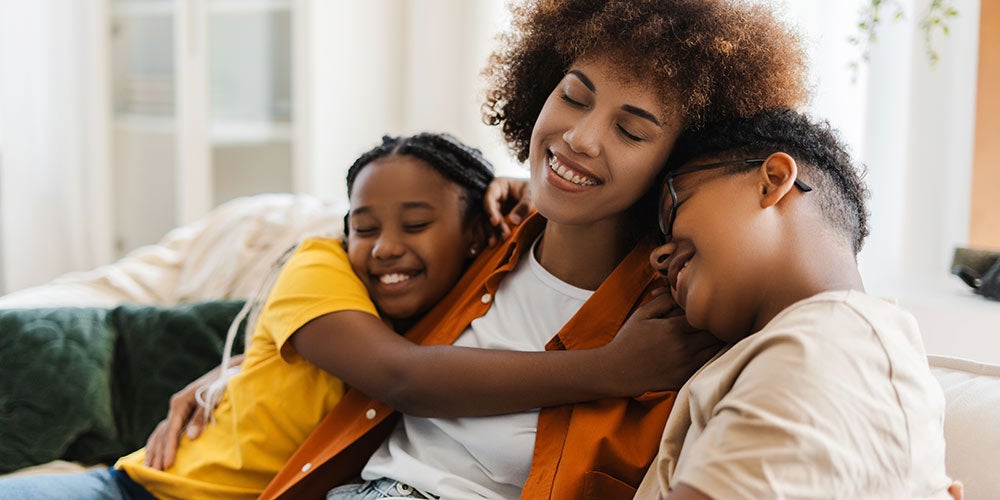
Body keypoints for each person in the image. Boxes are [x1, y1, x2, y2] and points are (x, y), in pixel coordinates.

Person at [250, 1, 812, 498]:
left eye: (631, 131)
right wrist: (233, 371)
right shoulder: (482, 236)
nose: (580, 138)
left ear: (675, 163)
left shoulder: (674, 319)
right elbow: (377, 347)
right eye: (572, 97)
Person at [0, 132, 704, 500]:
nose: (384, 246)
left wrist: (519, 192)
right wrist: (610, 369)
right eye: (364, 225)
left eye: (417, 222)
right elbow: (402, 377)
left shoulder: (461, 309)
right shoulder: (322, 264)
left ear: (478, 233)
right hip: (142, 489)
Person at [633, 109, 954, 499]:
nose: (659, 257)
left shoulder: (832, 343)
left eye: (674, 208)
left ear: (773, 181)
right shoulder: (818, 343)